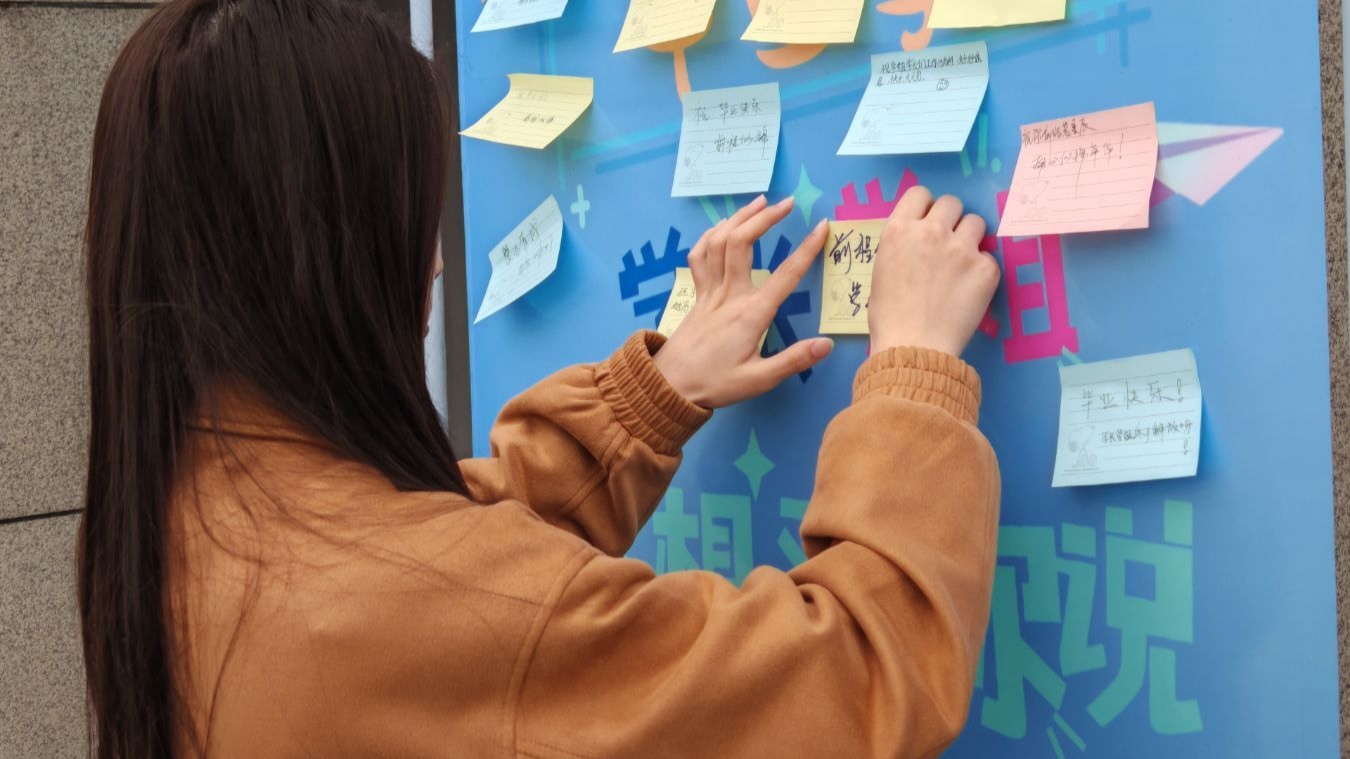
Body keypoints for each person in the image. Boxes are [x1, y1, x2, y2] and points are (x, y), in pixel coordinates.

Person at [78, 0, 1002, 757]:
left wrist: (650, 398)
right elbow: (859, 673)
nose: (439, 264)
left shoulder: (185, 508)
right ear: (327, 256)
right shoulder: (407, 609)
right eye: (414, 218)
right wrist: (913, 373)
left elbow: (439, 563)